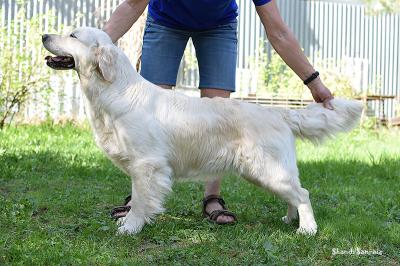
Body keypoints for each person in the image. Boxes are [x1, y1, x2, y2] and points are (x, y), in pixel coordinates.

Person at [104, 0, 334, 225]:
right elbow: (133, 4)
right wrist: (94, 46)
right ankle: (139, 201)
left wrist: (314, 82)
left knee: (221, 119)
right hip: (166, 21)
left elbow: (279, 32)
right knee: (147, 118)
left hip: (218, 26)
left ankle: (212, 198)